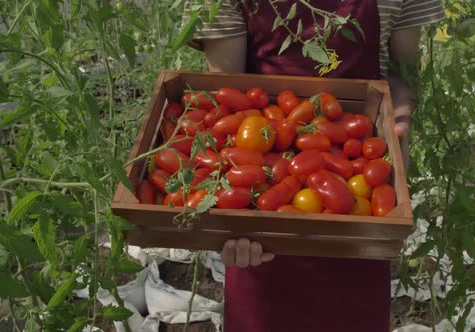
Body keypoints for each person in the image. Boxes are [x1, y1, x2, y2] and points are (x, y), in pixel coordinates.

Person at [183, 1, 444, 331]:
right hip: (264, 187)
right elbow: (229, 94)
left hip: (357, 180)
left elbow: (402, 71)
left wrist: (399, 124)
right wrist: (227, 218)